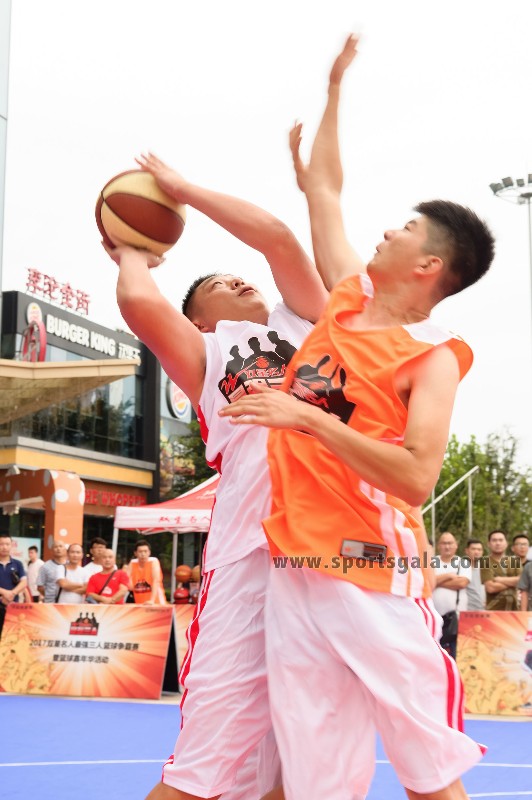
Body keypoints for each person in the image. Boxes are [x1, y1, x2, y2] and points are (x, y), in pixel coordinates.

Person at [219, 35, 495, 800]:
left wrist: (307, 420)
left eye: (405, 230)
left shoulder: (433, 356)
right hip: (297, 564)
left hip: (372, 569)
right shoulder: (346, 300)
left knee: (428, 771)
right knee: (317, 777)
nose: (387, 231)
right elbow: (326, 191)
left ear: (428, 266)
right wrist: (335, 88)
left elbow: (416, 477)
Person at [103, 150, 327, 800]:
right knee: (203, 768)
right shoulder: (207, 352)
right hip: (251, 556)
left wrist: (185, 190)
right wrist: (133, 250)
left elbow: (279, 238)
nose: (240, 280)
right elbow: (139, 302)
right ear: (200, 319)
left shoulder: (309, 322)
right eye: (221, 284)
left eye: (240, 275)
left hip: (332, 553)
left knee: (298, 760)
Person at [432, 532, 471, 659]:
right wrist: (449, 576)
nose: (447, 546)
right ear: (439, 545)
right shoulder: (431, 562)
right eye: (444, 543)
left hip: (456, 619)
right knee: (435, 654)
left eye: (450, 543)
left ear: (456, 545)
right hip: (434, 617)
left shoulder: (463, 563)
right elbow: (426, 583)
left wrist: (437, 581)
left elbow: (462, 583)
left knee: (456, 655)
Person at [481, 529, 521, 611]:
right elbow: (491, 588)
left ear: (506, 543)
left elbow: (522, 581)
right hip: (494, 610)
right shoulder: (485, 562)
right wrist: (513, 583)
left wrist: (499, 579)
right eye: (494, 540)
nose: (498, 543)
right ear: (488, 544)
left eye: (501, 540)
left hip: (515, 611)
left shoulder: (514, 561)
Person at [0, 534, 27, 638]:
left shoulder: (18, 564)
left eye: (7, 544)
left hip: (13, 606)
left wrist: (12, 593)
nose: (4, 547)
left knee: (11, 636)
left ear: (11, 546)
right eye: (1, 544)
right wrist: (5, 593)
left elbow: (24, 582)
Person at [127, 539, 166, 605]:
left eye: (145, 551)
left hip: (156, 601)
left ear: (149, 552)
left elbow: (156, 581)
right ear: (135, 553)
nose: (143, 554)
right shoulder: (132, 563)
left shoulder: (153, 561)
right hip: (140, 601)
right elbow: (126, 580)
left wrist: (152, 600)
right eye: (140, 551)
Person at [464, 538, 486, 611]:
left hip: (483, 609)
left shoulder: (486, 568)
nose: (476, 552)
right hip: (465, 609)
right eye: (473, 549)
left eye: (479, 550)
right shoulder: (460, 568)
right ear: (467, 551)